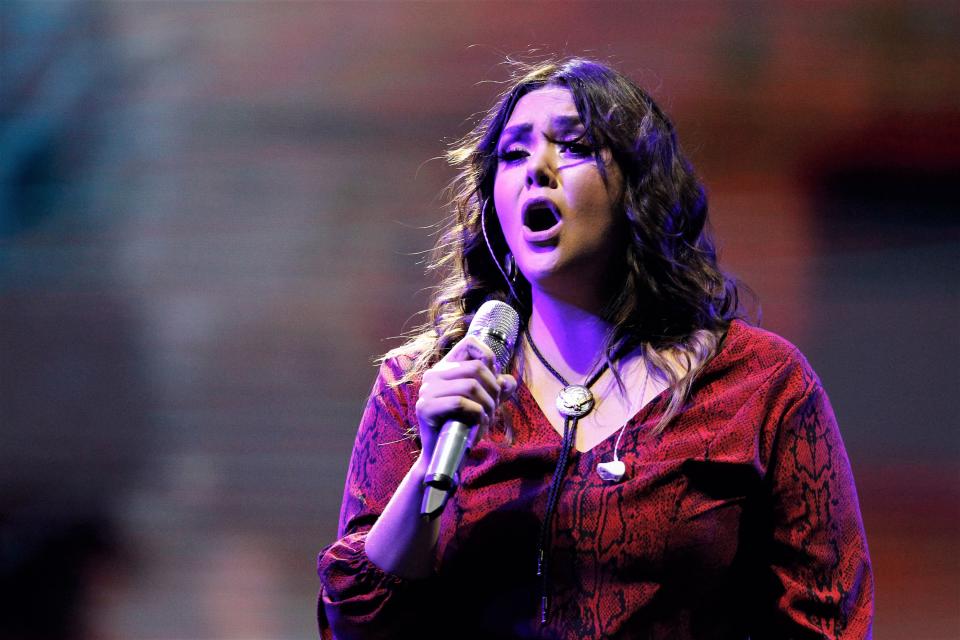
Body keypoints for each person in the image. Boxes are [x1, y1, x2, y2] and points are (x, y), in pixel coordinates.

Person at [316, 58, 873, 639]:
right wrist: (433, 463)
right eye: (513, 154)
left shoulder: (760, 383)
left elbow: (826, 620)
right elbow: (357, 621)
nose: (537, 170)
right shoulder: (423, 385)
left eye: (574, 146)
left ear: (638, 186)